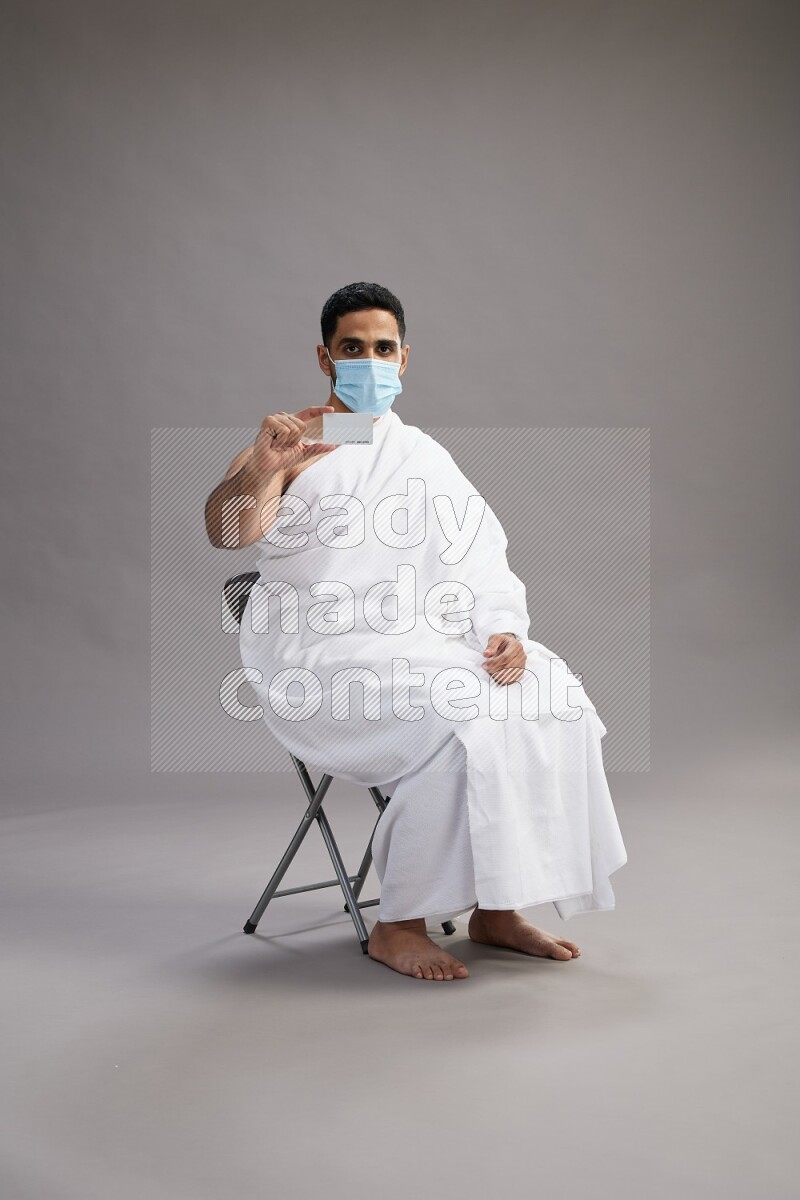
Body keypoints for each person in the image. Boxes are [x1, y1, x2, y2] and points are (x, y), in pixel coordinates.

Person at [204, 282, 628, 982]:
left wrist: (503, 630)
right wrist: (260, 471)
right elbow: (227, 533)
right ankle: (396, 922)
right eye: (352, 349)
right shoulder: (289, 446)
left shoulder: (421, 454)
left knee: (552, 696)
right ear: (324, 357)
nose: (368, 361)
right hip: (320, 650)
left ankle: (497, 909)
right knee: (460, 715)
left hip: (422, 637)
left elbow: (482, 556)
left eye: (382, 348)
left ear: (403, 360)